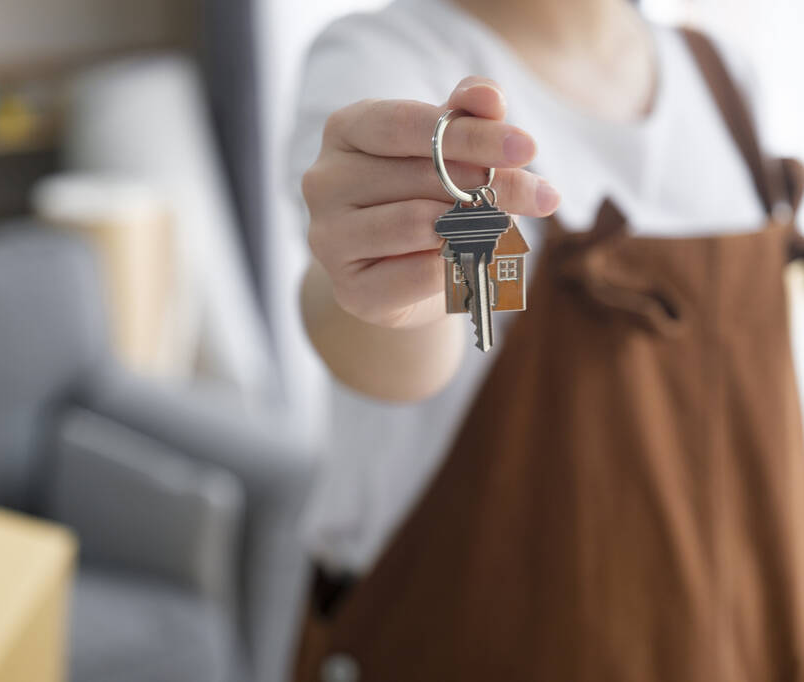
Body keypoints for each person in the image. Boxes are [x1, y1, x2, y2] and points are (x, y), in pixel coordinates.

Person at [289, 0, 804, 679]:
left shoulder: (719, 73)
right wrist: (384, 291)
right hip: (472, 634)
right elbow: (385, 333)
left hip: (745, 628)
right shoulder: (389, 66)